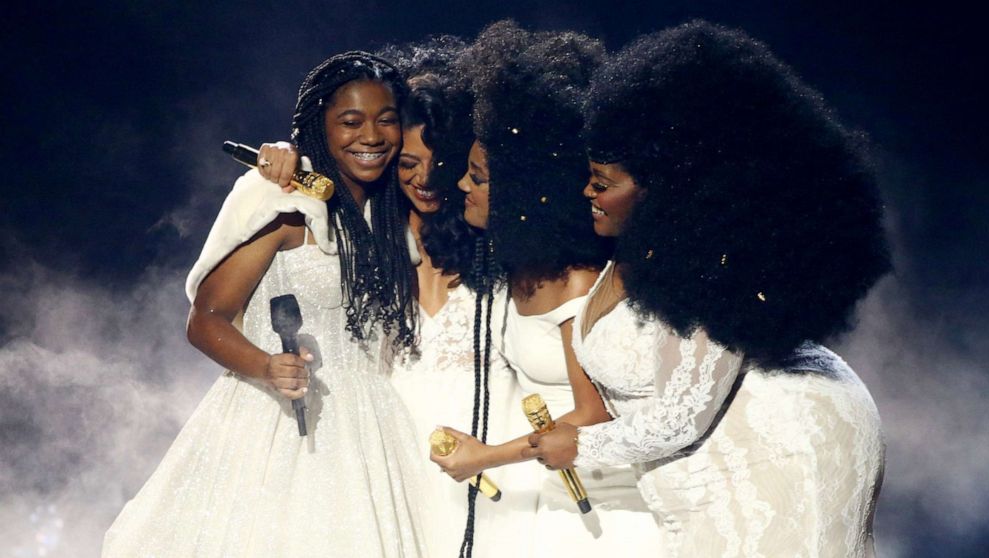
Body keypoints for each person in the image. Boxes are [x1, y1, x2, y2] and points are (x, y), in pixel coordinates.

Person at [526, 21, 889, 556]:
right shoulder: (636, 252)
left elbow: (683, 413)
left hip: (788, 445)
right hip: (705, 469)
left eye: (603, 183)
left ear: (661, 193)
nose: (588, 191)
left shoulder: (714, 267)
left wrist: (580, 445)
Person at [103, 52, 428, 557]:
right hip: (274, 421)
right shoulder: (282, 199)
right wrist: (266, 367)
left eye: (386, 120)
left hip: (375, 431)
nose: (371, 136)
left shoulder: (393, 213)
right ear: (319, 127)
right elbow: (204, 319)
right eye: (350, 121)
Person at [256, 37, 541, 558]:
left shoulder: (497, 244)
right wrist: (285, 157)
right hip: (390, 452)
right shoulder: (364, 236)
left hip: (492, 449)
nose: (424, 178)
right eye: (408, 162)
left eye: (438, 162)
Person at [432, 22, 663, 556]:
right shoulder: (517, 266)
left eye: (478, 177)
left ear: (522, 192)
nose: (463, 185)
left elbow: (594, 415)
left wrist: (483, 457)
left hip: (599, 505)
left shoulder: (576, 285)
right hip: (543, 489)